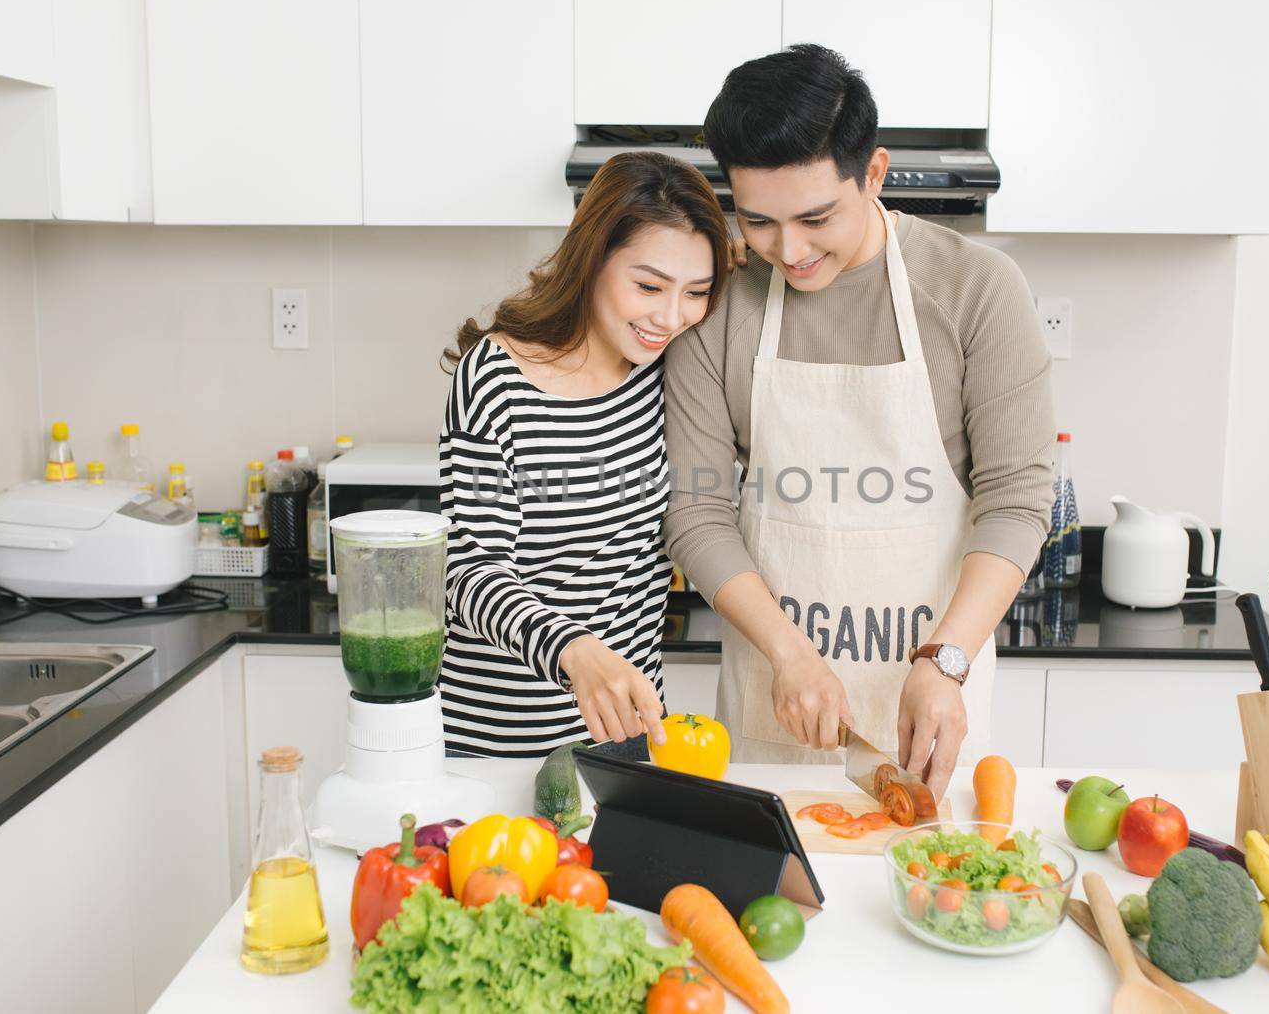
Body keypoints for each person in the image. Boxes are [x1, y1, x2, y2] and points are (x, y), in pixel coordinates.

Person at [664, 45, 1056, 797]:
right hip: (771, 710)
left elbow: (1017, 500)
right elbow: (697, 510)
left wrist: (946, 660)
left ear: (873, 174)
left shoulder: (976, 288)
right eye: (760, 223)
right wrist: (788, 653)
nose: (791, 251)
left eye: (816, 218)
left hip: (934, 704)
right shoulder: (721, 303)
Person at [437, 151, 732, 757]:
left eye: (696, 291)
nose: (670, 316)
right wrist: (575, 651)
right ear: (593, 259)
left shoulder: (666, 371)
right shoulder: (496, 377)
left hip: (628, 746)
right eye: (648, 285)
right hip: (494, 744)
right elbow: (469, 573)